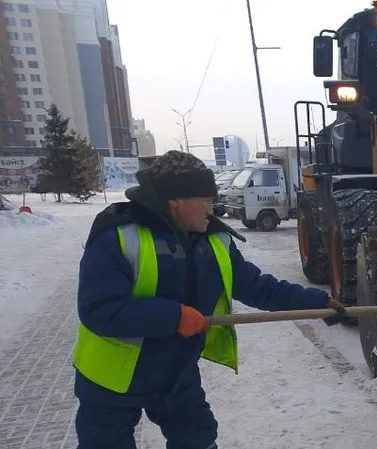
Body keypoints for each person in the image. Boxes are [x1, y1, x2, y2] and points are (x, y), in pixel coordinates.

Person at [71, 150, 346, 449]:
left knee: (198, 439)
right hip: (112, 378)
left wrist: (315, 303)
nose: (211, 207)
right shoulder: (118, 237)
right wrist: (175, 317)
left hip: (175, 373)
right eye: (204, 200)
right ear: (175, 200)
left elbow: (258, 287)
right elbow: (99, 310)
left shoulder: (213, 241)